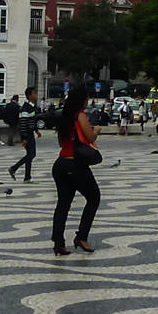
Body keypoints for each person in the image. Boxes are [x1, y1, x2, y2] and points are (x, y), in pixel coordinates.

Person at [49, 87, 99, 256]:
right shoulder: (80, 115)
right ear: (82, 100)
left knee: (63, 204)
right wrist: (96, 131)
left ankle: (58, 242)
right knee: (94, 198)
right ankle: (82, 236)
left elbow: (62, 144)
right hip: (75, 165)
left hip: (60, 164)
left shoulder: (64, 117)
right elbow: (90, 137)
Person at [8, 95, 39, 182]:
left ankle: (26, 176)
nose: (36, 95)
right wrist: (24, 138)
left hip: (30, 133)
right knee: (31, 154)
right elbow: (23, 123)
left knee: (30, 154)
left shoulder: (31, 106)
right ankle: (14, 168)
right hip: (27, 134)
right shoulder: (25, 108)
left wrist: (36, 130)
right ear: (30, 95)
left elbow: (32, 120)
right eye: (34, 93)